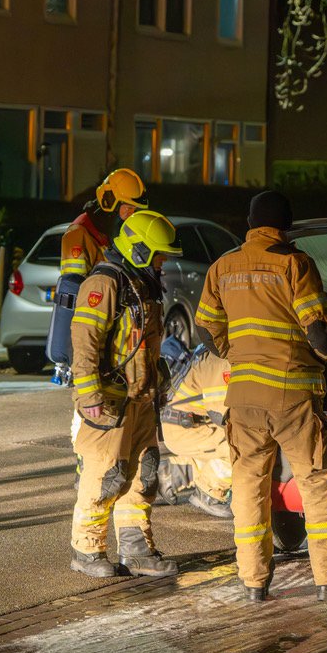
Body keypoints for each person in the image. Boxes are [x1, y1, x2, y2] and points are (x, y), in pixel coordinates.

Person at [194, 190, 327, 602]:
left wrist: (236, 353)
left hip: (243, 396)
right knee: (317, 482)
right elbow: (320, 334)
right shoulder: (295, 264)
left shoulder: (223, 266)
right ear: (286, 226)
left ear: (250, 223)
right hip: (292, 394)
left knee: (248, 487)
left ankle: (253, 581)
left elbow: (205, 327)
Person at [69, 210, 182, 578]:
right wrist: (90, 395)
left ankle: (136, 549)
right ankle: (87, 550)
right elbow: (85, 341)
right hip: (109, 401)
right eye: (159, 255)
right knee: (106, 475)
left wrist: (158, 385)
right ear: (139, 250)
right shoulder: (105, 283)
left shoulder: (142, 283)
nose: (163, 262)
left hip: (140, 398)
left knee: (142, 475)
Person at [60, 169, 149, 471]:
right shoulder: (78, 234)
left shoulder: (105, 231)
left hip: (108, 331)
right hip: (90, 326)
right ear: (112, 202)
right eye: (129, 208)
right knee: (87, 409)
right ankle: (85, 465)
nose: (131, 215)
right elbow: (76, 290)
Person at [160, 345, 233, 518]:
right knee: (244, 446)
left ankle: (175, 471)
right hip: (186, 428)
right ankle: (210, 492)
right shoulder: (221, 362)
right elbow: (223, 415)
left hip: (189, 424)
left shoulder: (217, 350)